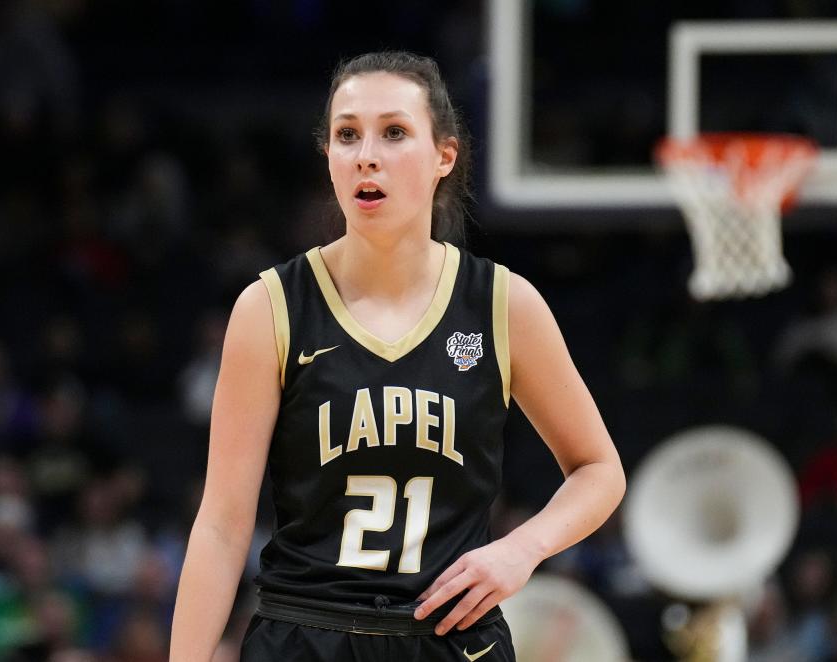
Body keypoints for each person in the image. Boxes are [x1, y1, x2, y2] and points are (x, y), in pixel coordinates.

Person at [169, 51, 625, 661]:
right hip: (304, 635)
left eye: (394, 132)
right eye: (346, 135)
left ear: (445, 156)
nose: (366, 154)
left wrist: (521, 549)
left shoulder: (501, 303)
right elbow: (223, 525)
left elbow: (599, 471)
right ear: (328, 156)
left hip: (450, 641)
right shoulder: (271, 307)